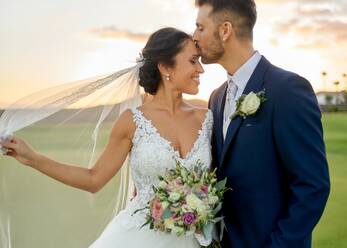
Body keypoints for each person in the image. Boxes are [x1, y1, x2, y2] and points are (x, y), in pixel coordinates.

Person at [0, 27, 213, 248]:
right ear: (165, 66)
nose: (200, 69)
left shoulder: (207, 118)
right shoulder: (132, 121)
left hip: (194, 240)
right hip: (138, 239)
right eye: (193, 61)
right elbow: (94, 179)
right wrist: (33, 158)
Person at [193, 0, 330, 247]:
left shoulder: (288, 90)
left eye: (200, 28)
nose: (194, 37)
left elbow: (312, 187)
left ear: (225, 30)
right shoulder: (216, 97)